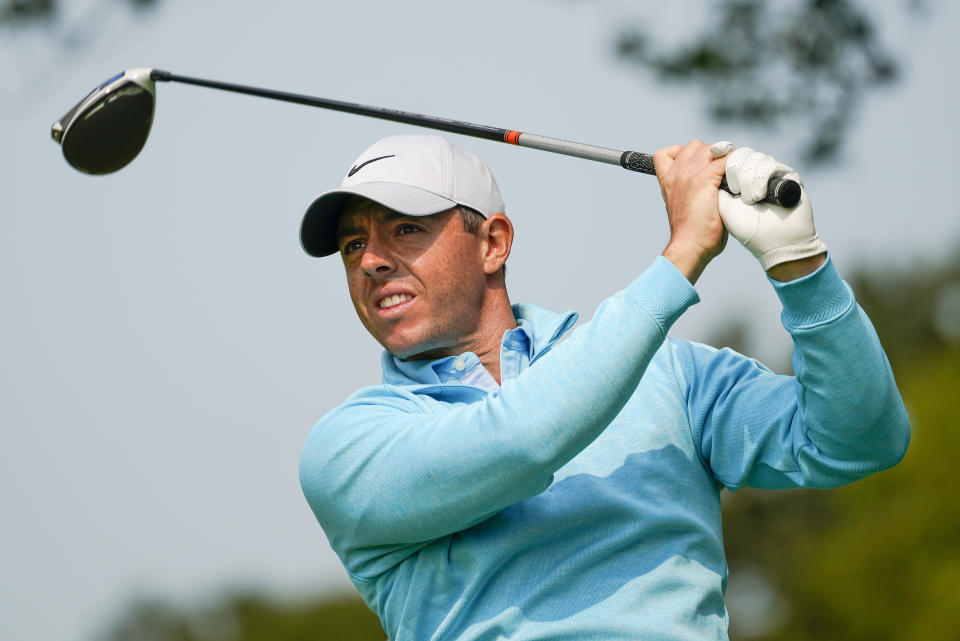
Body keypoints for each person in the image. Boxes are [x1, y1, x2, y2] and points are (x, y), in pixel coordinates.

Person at [297, 133, 910, 641]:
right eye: (354, 245)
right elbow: (523, 440)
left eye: (403, 230)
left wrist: (800, 264)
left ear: (493, 243)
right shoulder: (348, 447)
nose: (371, 260)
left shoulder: (669, 374)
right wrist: (682, 256)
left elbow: (859, 441)